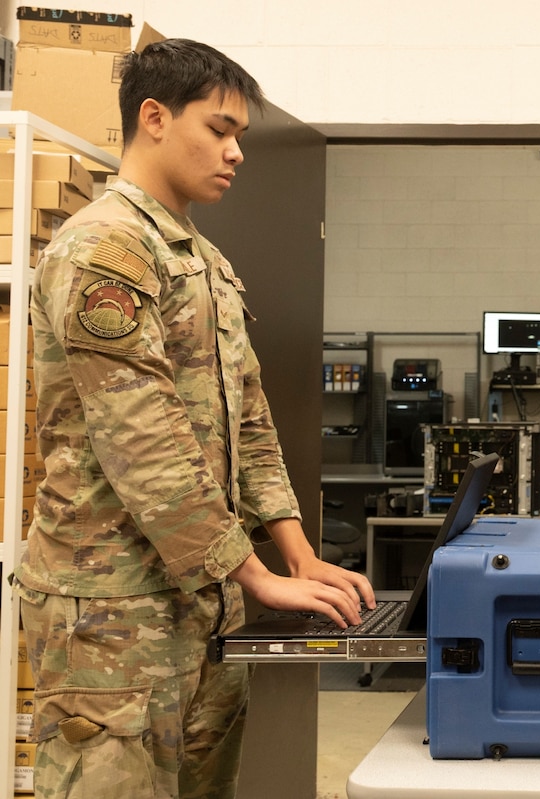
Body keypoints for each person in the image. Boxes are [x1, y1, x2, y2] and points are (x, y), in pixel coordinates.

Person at [14, 39, 375, 798]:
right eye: (219, 129)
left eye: (239, 134)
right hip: (111, 611)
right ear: (153, 117)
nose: (236, 151)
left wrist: (295, 552)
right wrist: (251, 573)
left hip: (201, 605)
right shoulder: (104, 249)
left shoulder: (202, 260)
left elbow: (249, 419)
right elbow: (140, 439)